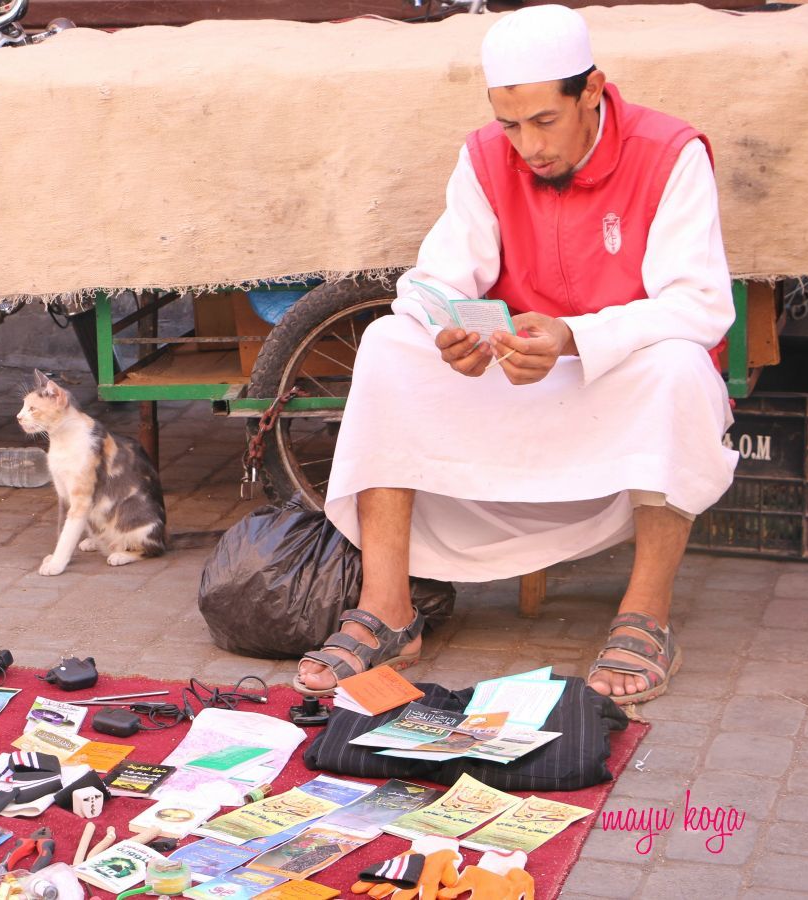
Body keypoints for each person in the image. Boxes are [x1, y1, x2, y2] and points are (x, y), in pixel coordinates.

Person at [295, 5, 737, 704]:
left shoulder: (670, 152)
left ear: (591, 90)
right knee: (387, 342)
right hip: (509, 376)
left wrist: (575, 336)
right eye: (510, 124)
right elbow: (440, 275)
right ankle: (388, 611)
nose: (527, 146)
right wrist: (450, 332)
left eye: (544, 121)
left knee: (682, 366)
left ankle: (645, 617)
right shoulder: (484, 156)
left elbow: (701, 304)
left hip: (612, 379)